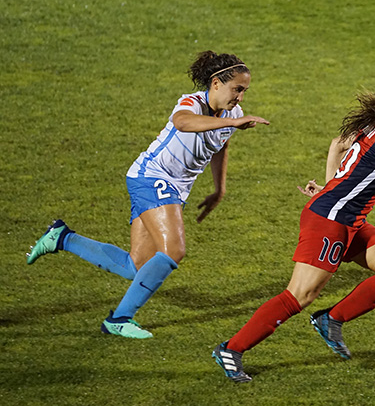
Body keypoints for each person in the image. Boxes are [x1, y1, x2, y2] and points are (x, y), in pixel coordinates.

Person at [212, 82, 375, 382]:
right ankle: (232, 349)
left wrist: (331, 187)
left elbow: (338, 143)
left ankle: (331, 319)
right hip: (330, 222)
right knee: (300, 295)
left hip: (346, 219)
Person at [26, 50, 270, 339]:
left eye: (244, 91)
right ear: (216, 83)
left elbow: (221, 146)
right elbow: (183, 122)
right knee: (174, 250)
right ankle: (119, 319)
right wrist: (230, 123)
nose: (241, 97)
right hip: (152, 177)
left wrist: (219, 188)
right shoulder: (191, 102)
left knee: (137, 266)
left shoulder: (233, 115)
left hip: (174, 187)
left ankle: (63, 237)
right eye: (237, 89)